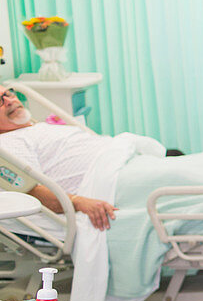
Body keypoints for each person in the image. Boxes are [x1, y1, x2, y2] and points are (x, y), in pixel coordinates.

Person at [0, 88, 118, 229]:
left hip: (117, 157)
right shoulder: (7, 144)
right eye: (0, 101)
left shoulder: (35, 128)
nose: (9, 101)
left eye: (8, 94)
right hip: (107, 178)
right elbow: (31, 192)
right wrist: (77, 201)